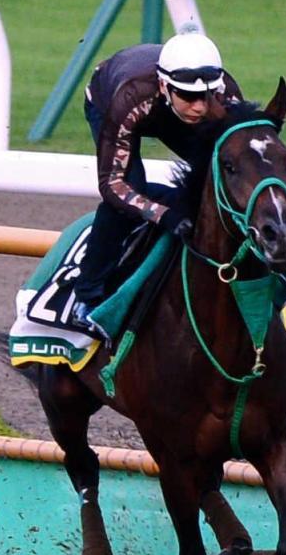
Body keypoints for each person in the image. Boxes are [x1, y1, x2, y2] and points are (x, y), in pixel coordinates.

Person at [71, 31, 242, 332]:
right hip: (111, 99)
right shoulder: (130, 97)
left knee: (221, 182)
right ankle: (87, 296)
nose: (200, 107)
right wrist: (165, 215)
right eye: (188, 96)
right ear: (164, 85)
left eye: (206, 96)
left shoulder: (225, 95)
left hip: (163, 108)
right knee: (127, 196)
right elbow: (113, 185)